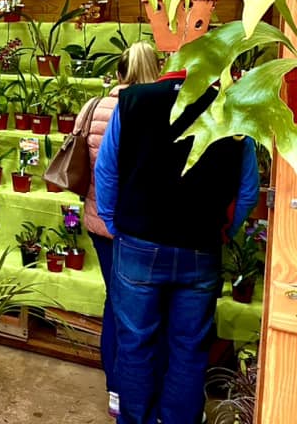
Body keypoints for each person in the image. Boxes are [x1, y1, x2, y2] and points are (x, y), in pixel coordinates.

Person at [94, 57, 258, 424]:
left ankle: (135, 419)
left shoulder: (133, 100)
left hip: (137, 242)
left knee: (135, 344)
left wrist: (114, 225)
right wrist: (225, 232)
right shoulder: (231, 108)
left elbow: (106, 170)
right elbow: (247, 190)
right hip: (200, 246)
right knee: (189, 348)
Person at [75, 41, 159, 419]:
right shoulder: (154, 108)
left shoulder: (94, 106)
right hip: (138, 223)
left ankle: (115, 387)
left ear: (120, 68)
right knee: (136, 308)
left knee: (115, 302)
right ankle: (134, 387)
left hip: (97, 219)